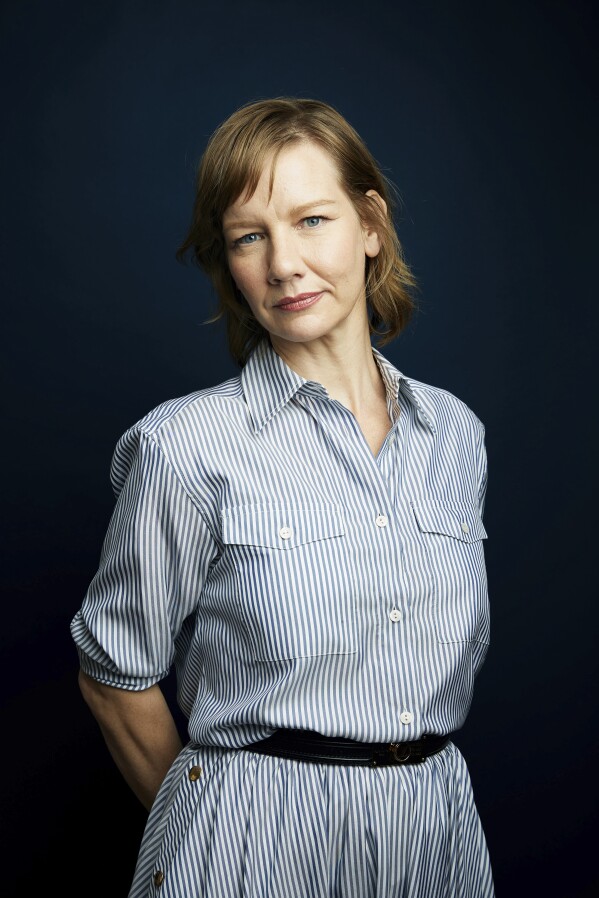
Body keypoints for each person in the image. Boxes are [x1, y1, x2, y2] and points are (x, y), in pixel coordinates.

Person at [71, 96, 494, 898]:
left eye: (311, 221)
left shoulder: (456, 436)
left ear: (369, 225)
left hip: (434, 834)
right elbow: (113, 676)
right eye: (248, 237)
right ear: (227, 263)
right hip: (252, 845)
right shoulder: (185, 446)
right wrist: (213, 829)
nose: (284, 264)